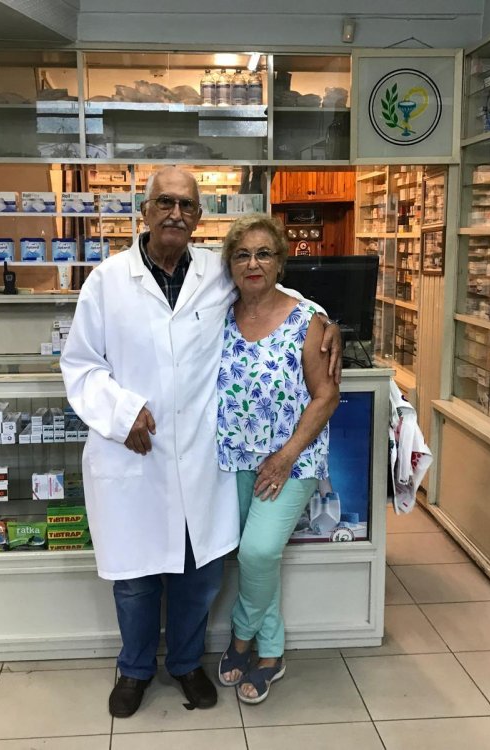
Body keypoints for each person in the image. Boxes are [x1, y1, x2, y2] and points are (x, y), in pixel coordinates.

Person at [60, 166, 341, 719]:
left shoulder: (215, 271)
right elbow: (80, 365)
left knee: (198, 574)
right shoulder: (107, 281)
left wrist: (327, 321)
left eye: (186, 205)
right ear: (144, 211)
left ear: (198, 216)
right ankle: (135, 669)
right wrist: (122, 411)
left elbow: (270, 288)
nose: (175, 213)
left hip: (200, 455)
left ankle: (187, 664)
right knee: (136, 579)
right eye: (164, 202)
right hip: (134, 452)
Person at [215, 214, 339, 704]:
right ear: (230, 264)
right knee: (252, 558)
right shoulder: (219, 316)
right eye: (242, 254)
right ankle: (271, 653)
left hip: (291, 461)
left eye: (263, 253)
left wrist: (287, 456)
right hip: (231, 458)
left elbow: (326, 396)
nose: (253, 263)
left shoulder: (308, 321)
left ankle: (241, 636)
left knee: (258, 553)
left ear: (280, 262)